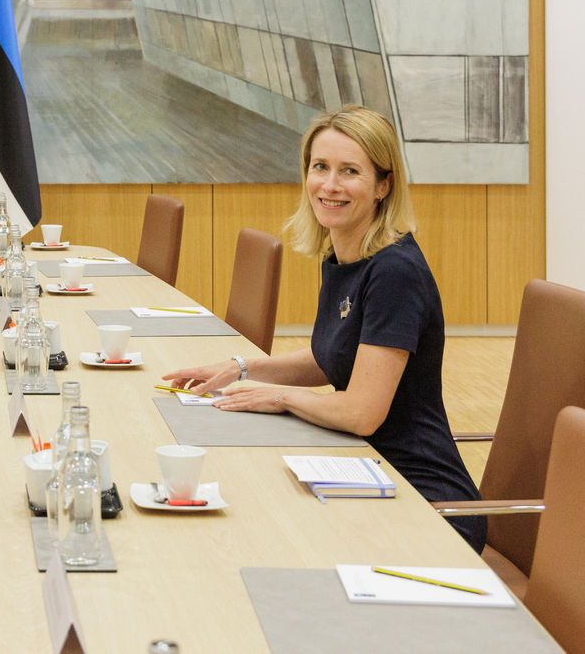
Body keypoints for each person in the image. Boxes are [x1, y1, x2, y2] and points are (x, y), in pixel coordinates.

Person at [162, 105, 485, 553]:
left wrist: (279, 397)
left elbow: (362, 412)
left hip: (423, 504)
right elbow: (331, 356)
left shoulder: (395, 272)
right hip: (364, 468)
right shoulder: (344, 256)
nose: (329, 185)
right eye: (320, 167)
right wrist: (241, 368)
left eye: (349, 171)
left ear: (383, 185)